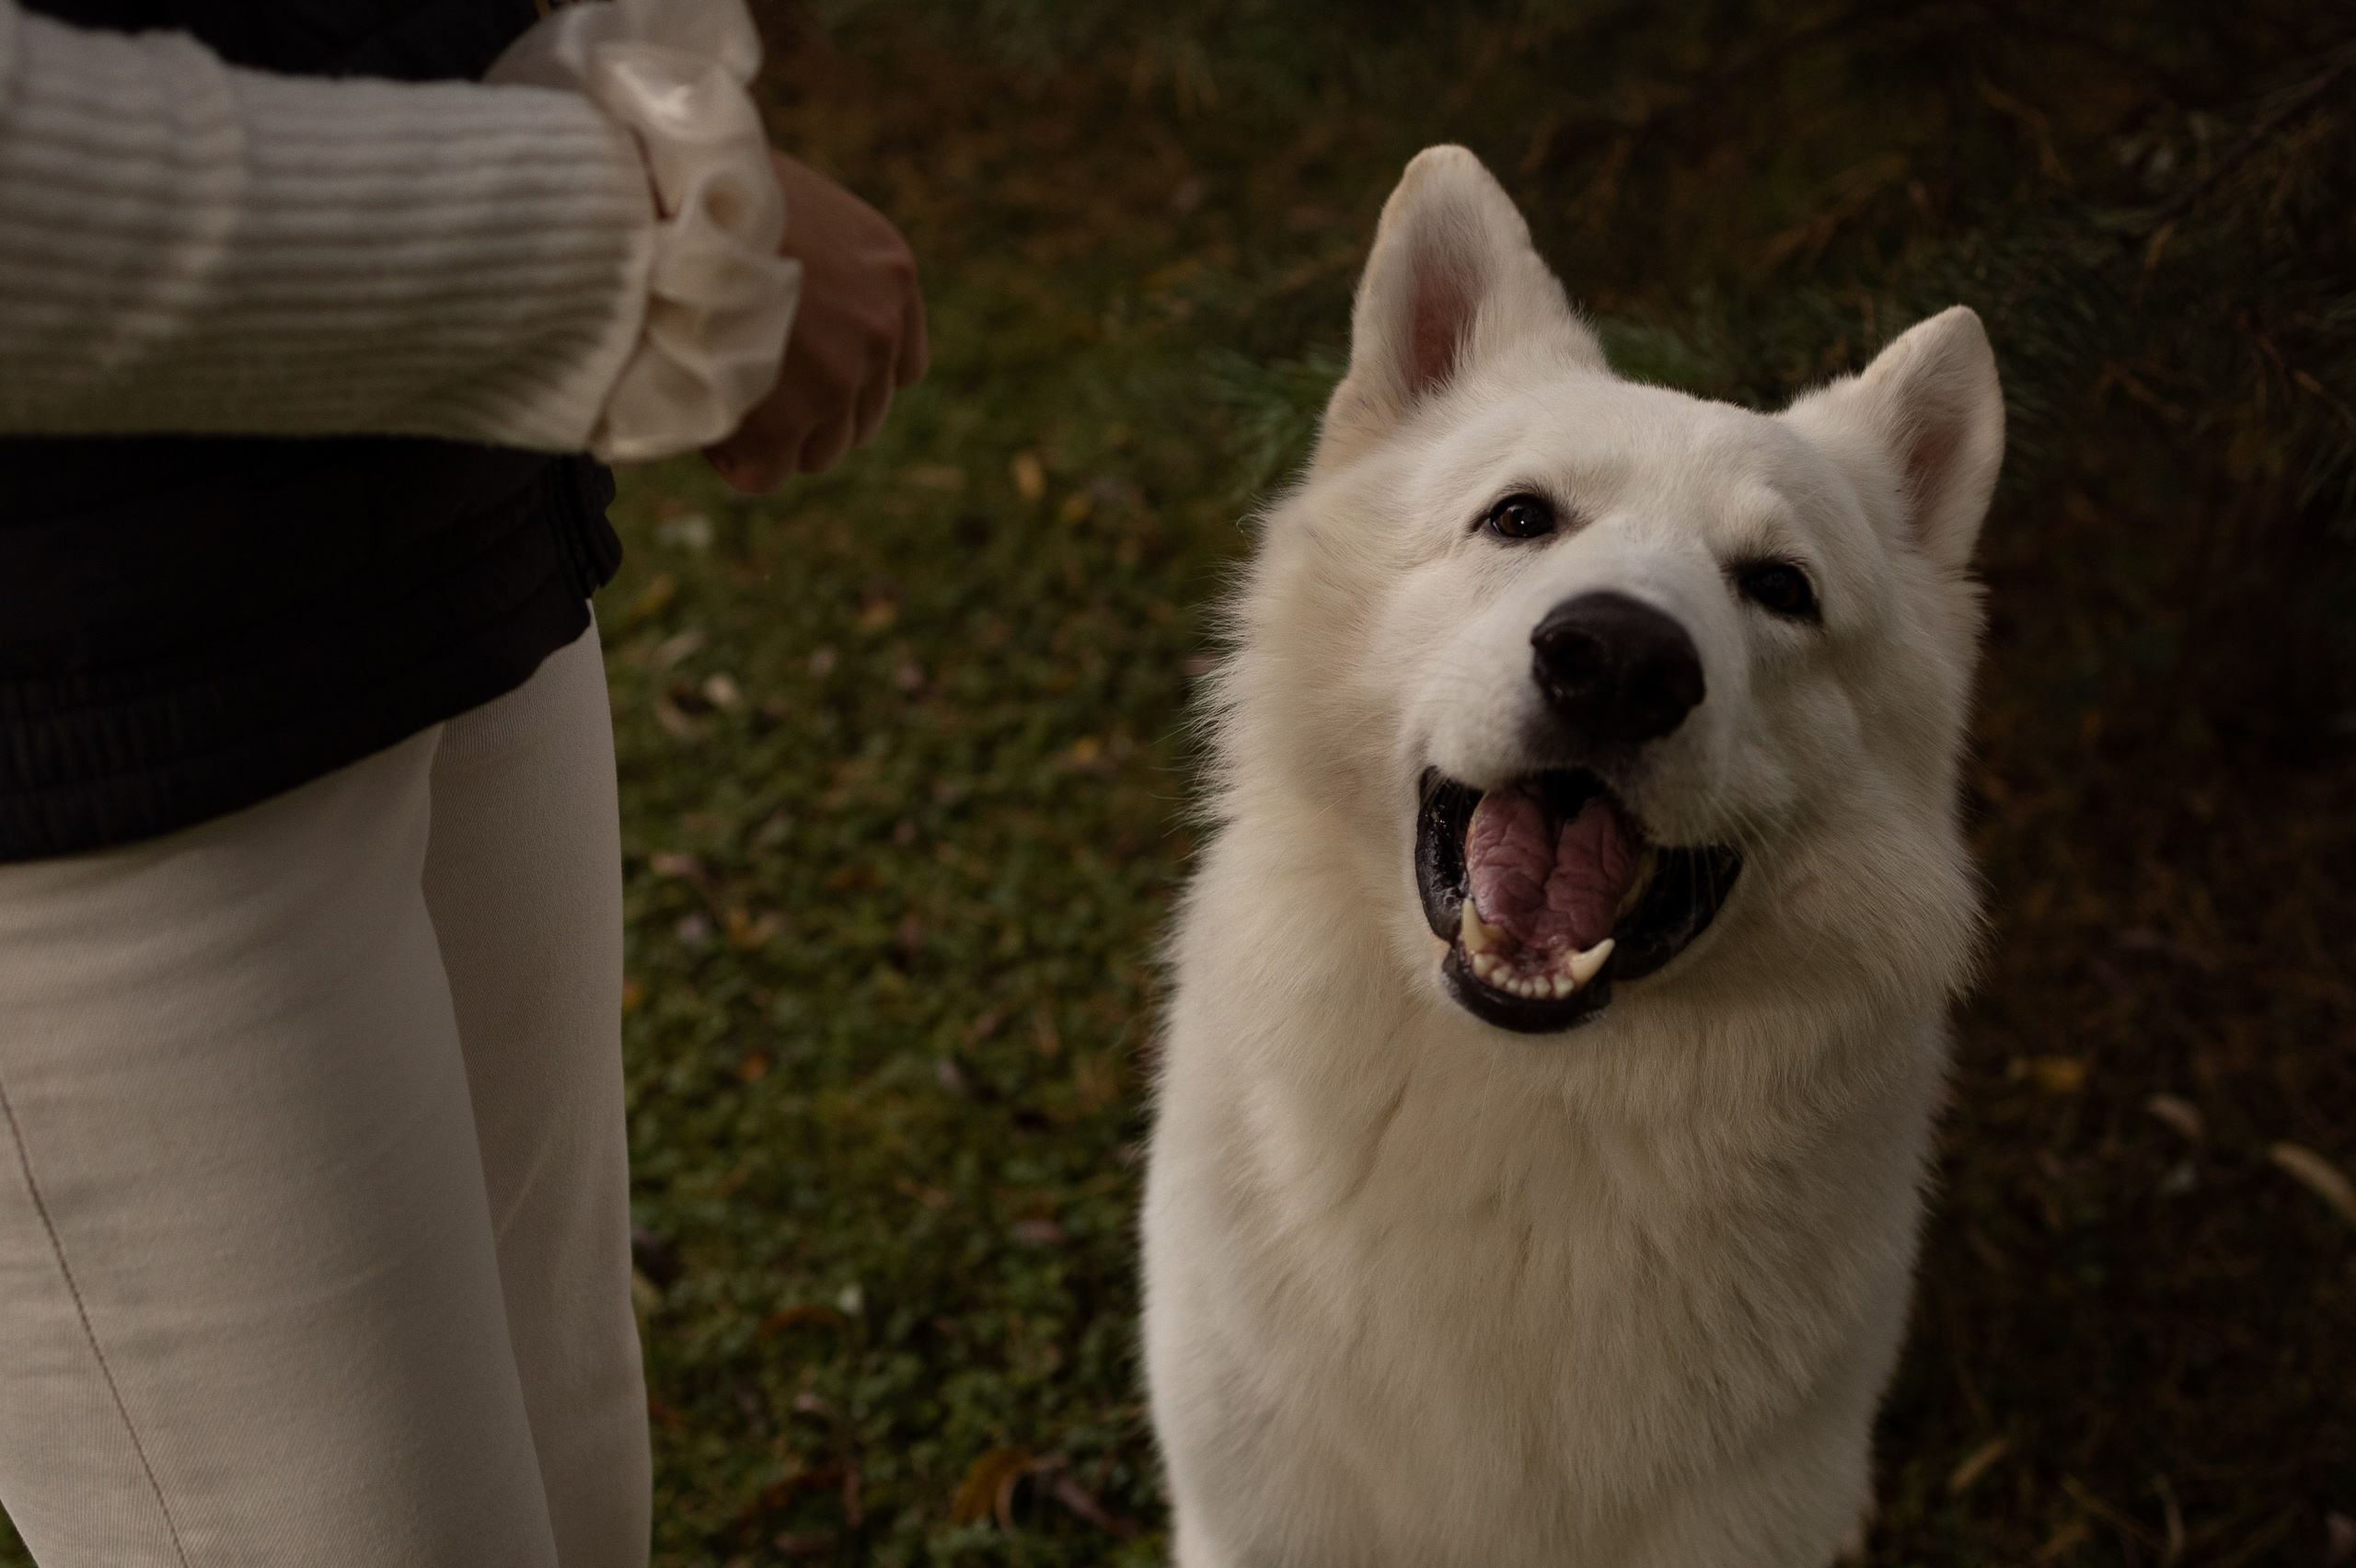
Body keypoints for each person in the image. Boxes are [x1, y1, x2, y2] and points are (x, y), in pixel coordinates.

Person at [0, 0, 926, 1562]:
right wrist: (626, 247)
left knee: (571, 1501)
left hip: (447, 521)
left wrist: (610, 86)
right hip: (82, 748)